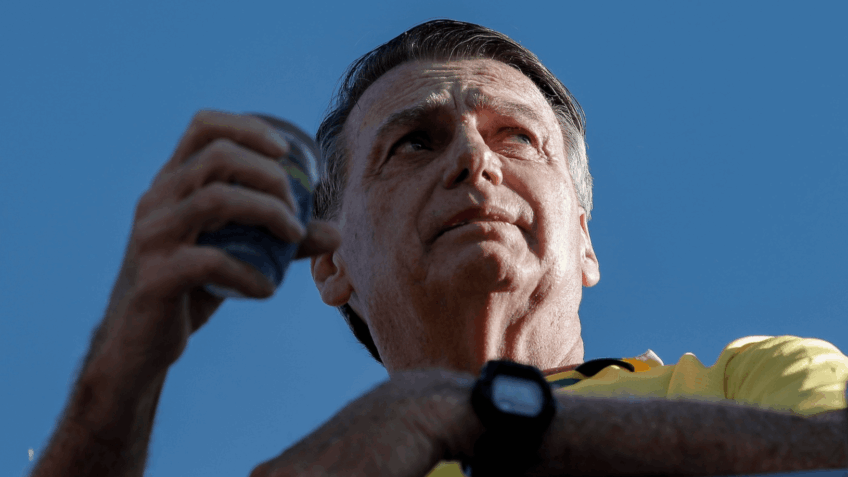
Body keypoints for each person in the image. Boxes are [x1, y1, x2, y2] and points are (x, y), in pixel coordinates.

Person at [32, 19, 848, 477]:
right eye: (414, 142)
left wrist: (472, 414)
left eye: (516, 136)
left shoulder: (751, 380)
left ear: (585, 240)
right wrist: (119, 370)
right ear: (330, 262)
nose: (474, 159)